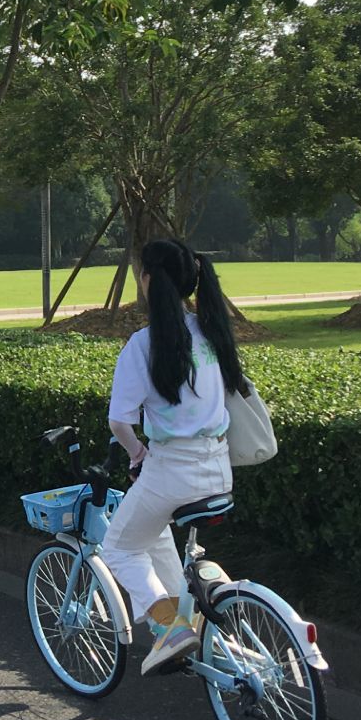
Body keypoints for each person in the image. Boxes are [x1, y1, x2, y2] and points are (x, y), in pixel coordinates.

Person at [100, 237, 251, 676]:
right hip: (219, 468)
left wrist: (136, 454)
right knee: (153, 533)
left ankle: (170, 628)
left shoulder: (142, 345)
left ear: (148, 280)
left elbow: (120, 423)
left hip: (171, 472)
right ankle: (190, 619)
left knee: (118, 549)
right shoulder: (212, 332)